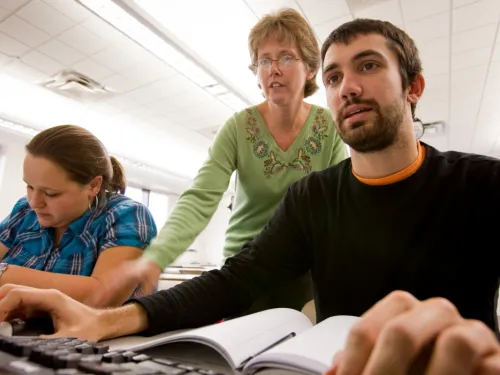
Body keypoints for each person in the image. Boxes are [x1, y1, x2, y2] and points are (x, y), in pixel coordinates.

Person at [1, 18, 500, 374]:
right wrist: (105, 319)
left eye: (368, 66)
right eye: (334, 76)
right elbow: (234, 279)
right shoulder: (313, 197)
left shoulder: (482, 185)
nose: (347, 86)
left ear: (414, 86)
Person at [98, 8, 347, 313]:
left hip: (302, 271)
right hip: (244, 268)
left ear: (310, 69)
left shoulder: (329, 128)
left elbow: (338, 205)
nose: (273, 69)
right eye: (264, 60)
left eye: (285, 57)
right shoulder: (238, 127)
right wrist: (155, 257)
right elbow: (200, 197)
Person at [0, 125, 157, 307]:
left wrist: (6, 274)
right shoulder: (24, 211)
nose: (34, 203)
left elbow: (102, 296)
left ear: (93, 186)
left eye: (51, 193)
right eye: (30, 187)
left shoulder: (126, 215)